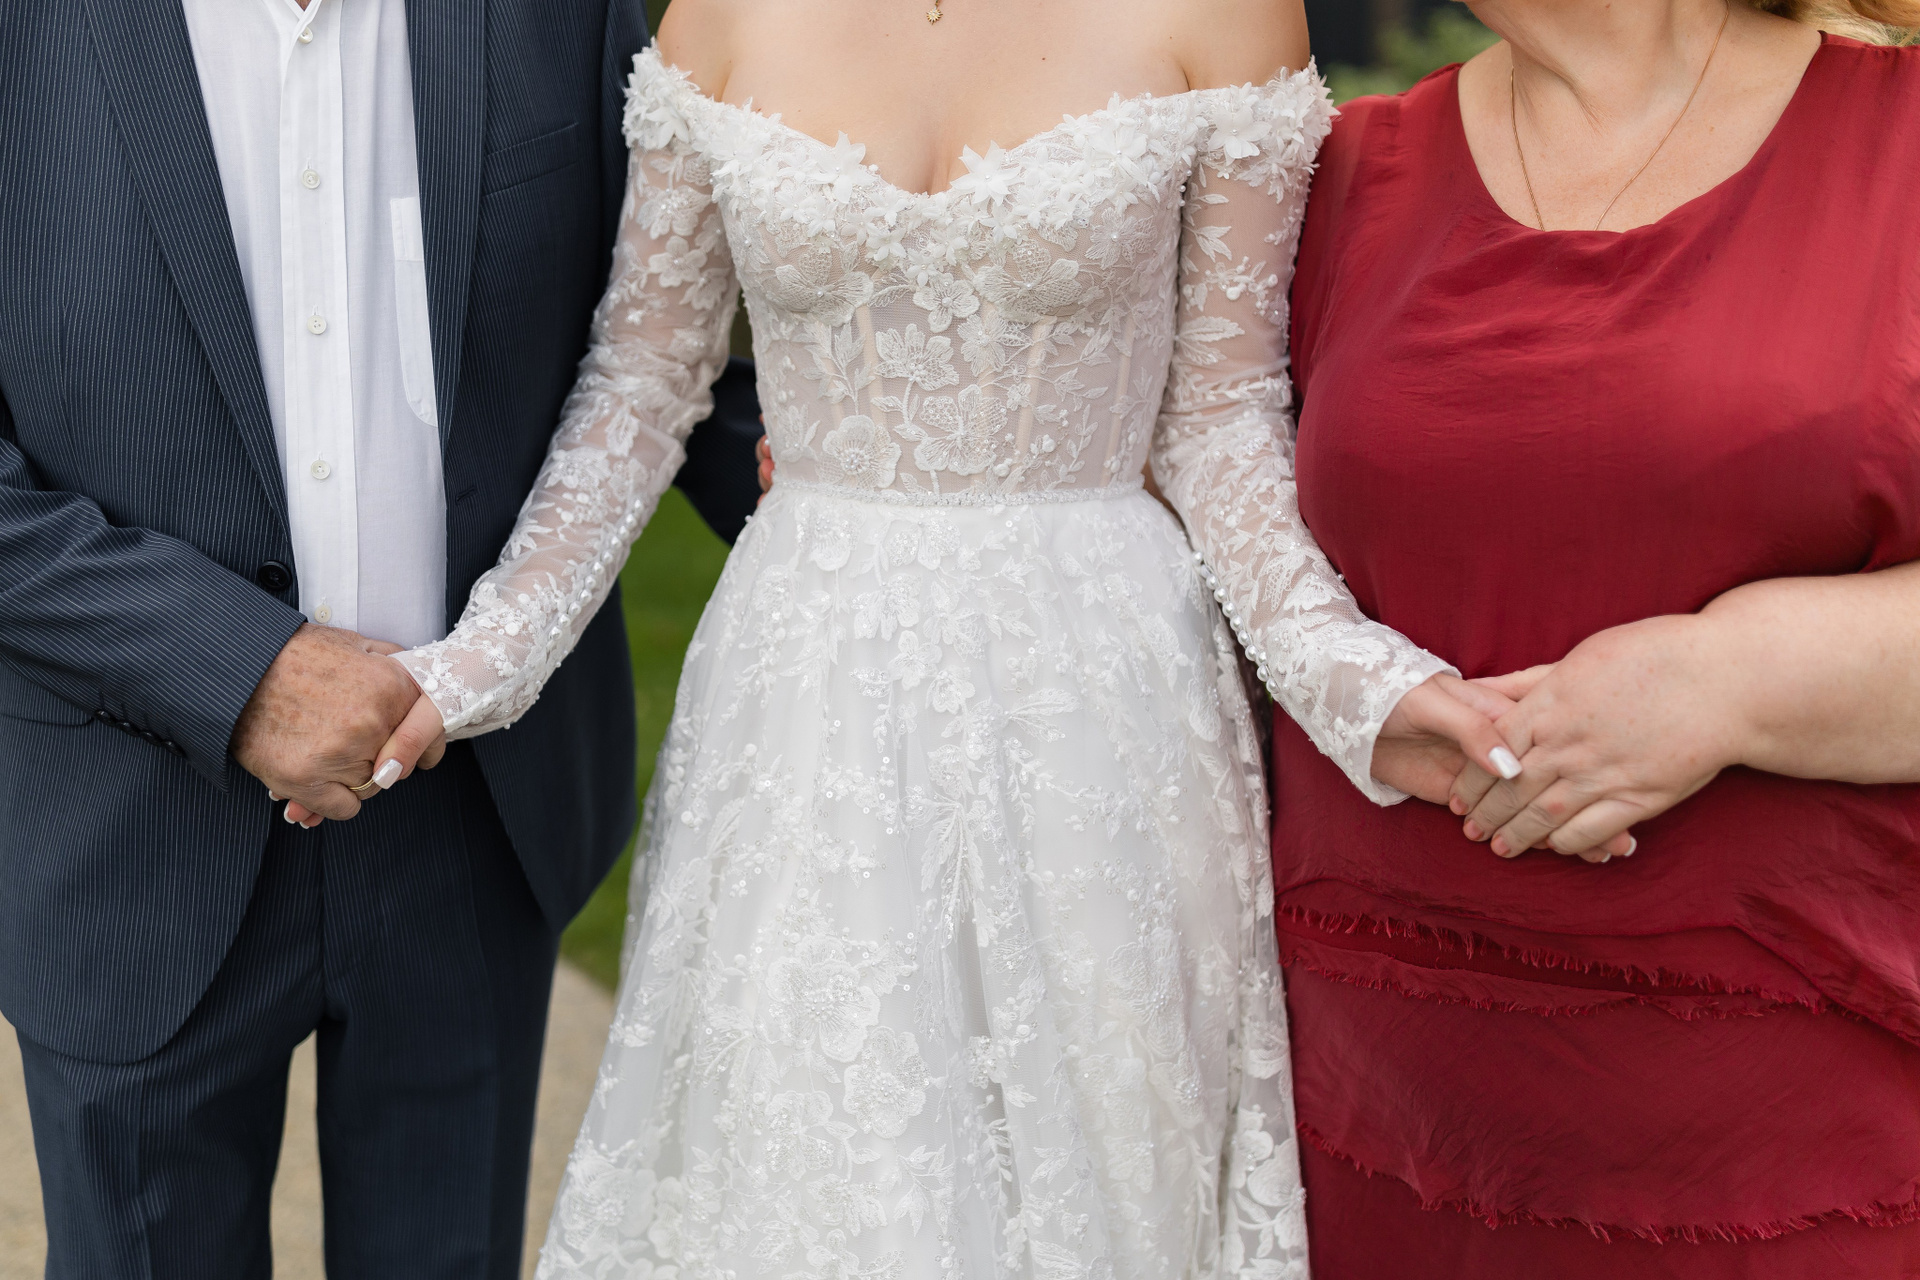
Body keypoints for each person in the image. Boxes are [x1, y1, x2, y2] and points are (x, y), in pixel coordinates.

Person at [344, 0, 1550, 1272]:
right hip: (803, 706)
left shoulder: (1223, 10)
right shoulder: (726, 12)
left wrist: (1354, 678)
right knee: (808, 1170)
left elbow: (1219, 420)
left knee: (1087, 1177)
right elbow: (643, 385)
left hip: (1098, 705)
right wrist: (483, 660)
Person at [0, 2, 759, 1274]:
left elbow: (663, 321)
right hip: (129, 828)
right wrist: (235, 669)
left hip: (477, 822)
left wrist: (919, 517)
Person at [1276, 0, 1920, 1274]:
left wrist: (1734, 680)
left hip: (1800, 1123)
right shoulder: (1334, 175)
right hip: (1387, 1113)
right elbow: (1194, 554)